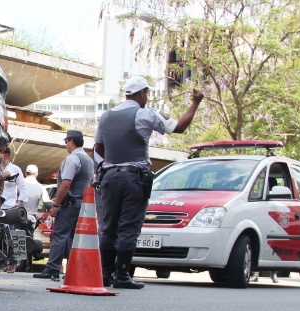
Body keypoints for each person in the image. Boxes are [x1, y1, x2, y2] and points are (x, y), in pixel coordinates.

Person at [93, 76, 203, 289]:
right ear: (142, 93)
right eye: (146, 93)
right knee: (129, 227)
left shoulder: (106, 116)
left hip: (109, 176)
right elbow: (178, 127)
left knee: (108, 228)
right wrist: (195, 103)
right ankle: (122, 275)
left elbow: (98, 147)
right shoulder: (145, 113)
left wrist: (114, 161)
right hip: (133, 177)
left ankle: (105, 275)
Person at [32, 130, 94, 279]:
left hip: (70, 204)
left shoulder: (72, 159)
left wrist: (56, 205)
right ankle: (77, 270)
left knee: (60, 236)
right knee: (77, 239)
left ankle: (52, 268)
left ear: (71, 142)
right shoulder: (89, 160)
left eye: (66, 142)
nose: (66, 145)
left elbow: (66, 183)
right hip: (83, 204)